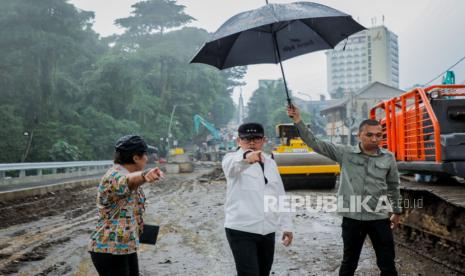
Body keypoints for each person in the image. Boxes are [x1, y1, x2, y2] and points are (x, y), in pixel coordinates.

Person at [287, 105, 402, 276]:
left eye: (379, 135)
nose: (374, 139)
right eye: (369, 135)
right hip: (352, 218)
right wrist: (298, 120)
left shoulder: (388, 157)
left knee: (387, 263)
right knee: (349, 262)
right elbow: (315, 143)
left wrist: (397, 211)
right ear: (359, 135)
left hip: (379, 217)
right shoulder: (345, 153)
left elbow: (393, 186)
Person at [222, 122, 293, 276]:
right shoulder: (230, 160)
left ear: (263, 140)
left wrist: (287, 226)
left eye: (256, 139)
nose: (252, 143)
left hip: (267, 230)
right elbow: (234, 167)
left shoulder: (271, 163)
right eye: (247, 139)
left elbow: (279, 195)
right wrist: (247, 157)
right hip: (241, 230)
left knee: (263, 273)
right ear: (238, 141)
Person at [88, 135, 164, 276]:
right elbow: (126, 181)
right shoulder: (113, 176)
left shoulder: (127, 174)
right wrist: (144, 175)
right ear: (135, 158)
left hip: (126, 246)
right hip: (110, 249)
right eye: (145, 155)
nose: (147, 159)